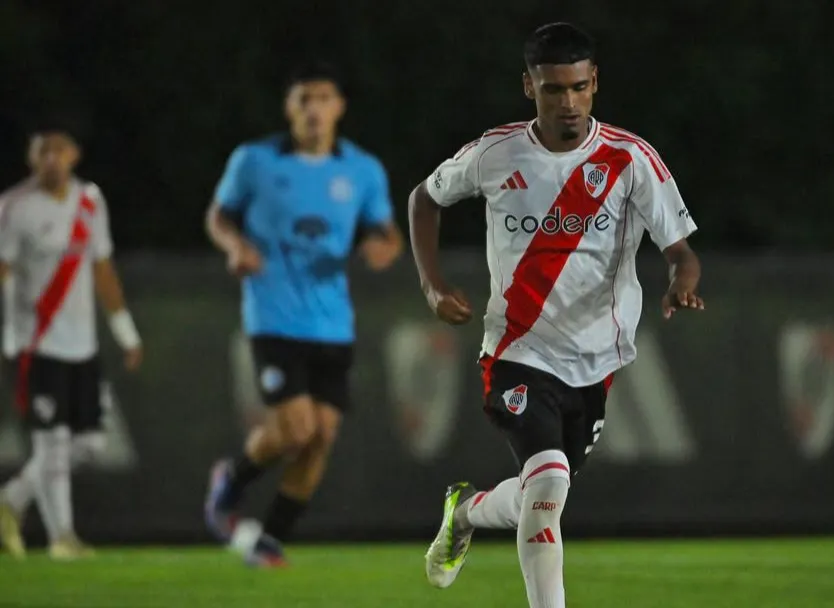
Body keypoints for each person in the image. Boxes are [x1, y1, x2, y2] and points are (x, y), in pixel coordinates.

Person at [410, 22, 703, 608]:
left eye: (577, 87)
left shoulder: (629, 159)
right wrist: (433, 285)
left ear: (594, 83)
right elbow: (425, 197)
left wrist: (680, 283)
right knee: (547, 486)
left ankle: (465, 511)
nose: (566, 103)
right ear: (529, 88)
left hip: (596, 360)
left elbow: (682, 252)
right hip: (517, 351)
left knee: (540, 493)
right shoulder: (496, 153)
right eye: (552, 90)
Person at [203, 61, 403, 567]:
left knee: (323, 436)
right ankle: (230, 478)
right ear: (289, 109)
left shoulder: (362, 169)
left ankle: (270, 539)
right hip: (273, 315)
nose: (313, 109)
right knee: (295, 430)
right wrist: (235, 246)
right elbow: (219, 216)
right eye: (303, 99)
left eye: (322, 98)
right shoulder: (254, 161)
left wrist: (384, 247)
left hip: (333, 321)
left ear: (339, 107)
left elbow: (385, 231)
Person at [0, 125, 144, 561]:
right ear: (31, 158)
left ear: (74, 155)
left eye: (59, 150)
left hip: (82, 344)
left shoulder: (90, 203)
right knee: (52, 442)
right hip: (35, 343)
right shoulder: (14, 207)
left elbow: (102, 268)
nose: (51, 159)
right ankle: (63, 536)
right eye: (43, 151)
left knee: (90, 442)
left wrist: (126, 333)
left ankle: (10, 500)